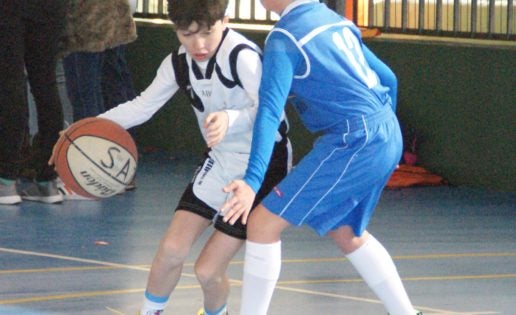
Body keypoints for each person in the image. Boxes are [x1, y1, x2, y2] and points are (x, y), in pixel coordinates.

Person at [221, 1, 421, 314]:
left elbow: (271, 111)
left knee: (261, 224)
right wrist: (387, 140)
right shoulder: (334, 20)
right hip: (384, 129)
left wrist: (251, 180)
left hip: (353, 139)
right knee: (346, 231)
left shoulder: (284, 38)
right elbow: (389, 78)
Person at [94, 0, 291, 314]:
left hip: (263, 163)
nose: (198, 45)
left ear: (225, 21)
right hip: (221, 158)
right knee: (171, 249)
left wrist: (230, 118)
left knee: (207, 270)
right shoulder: (178, 62)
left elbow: (272, 113)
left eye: (206, 34)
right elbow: (142, 107)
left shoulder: (243, 57)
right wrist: (89, 127)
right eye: (186, 35)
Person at [0, 0, 68, 204]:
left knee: (10, 83)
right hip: (51, 8)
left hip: (9, 8)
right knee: (46, 83)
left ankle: (6, 179)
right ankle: (48, 181)